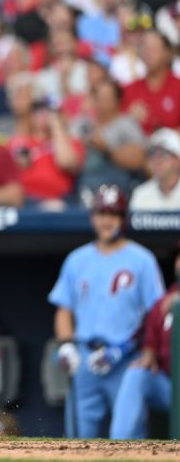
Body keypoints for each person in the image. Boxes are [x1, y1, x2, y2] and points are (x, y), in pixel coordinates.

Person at [48, 185, 165, 438]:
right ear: (92, 217)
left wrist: (133, 350)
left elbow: (155, 314)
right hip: (85, 358)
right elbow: (64, 310)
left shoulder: (142, 260)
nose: (107, 220)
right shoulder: (77, 259)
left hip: (125, 359)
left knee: (128, 439)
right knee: (78, 439)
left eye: (113, 214)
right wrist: (67, 345)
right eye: (102, 213)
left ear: (123, 219)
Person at [110, 244, 179, 439]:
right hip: (172, 389)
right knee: (137, 374)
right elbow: (150, 344)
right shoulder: (162, 304)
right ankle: (119, 448)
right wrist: (149, 354)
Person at [129, 128, 180, 211]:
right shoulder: (140, 194)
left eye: (164, 154)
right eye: (152, 153)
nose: (157, 160)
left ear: (178, 159)